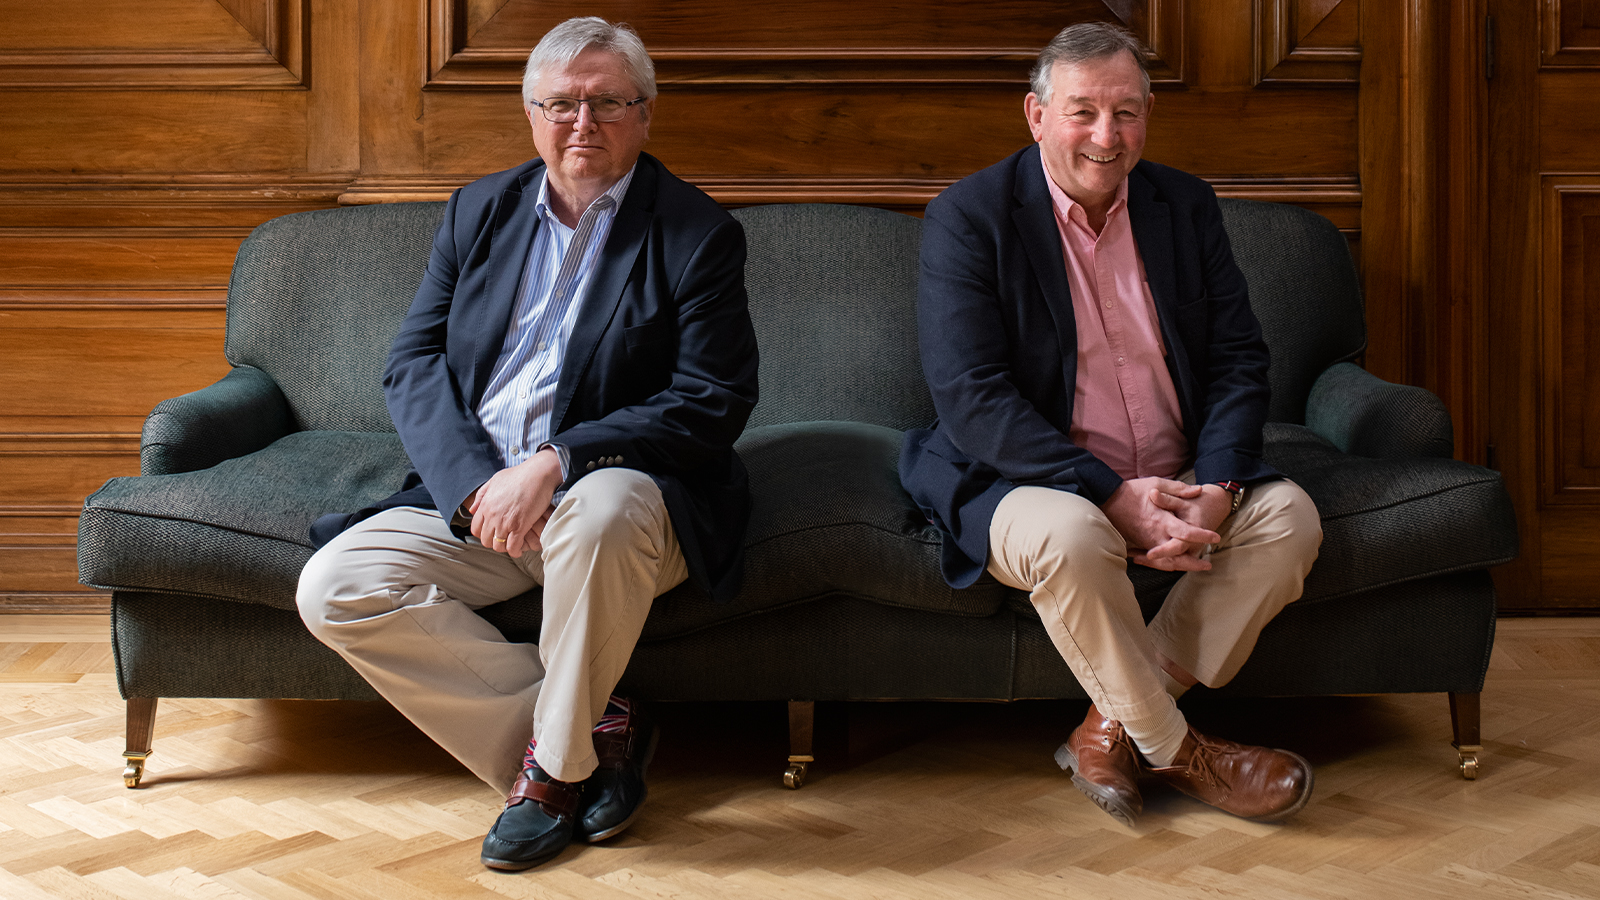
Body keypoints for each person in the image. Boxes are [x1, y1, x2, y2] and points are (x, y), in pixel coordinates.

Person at [296, 17, 758, 871]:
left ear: (645, 115)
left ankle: (551, 777)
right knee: (336, 587)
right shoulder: (480, 210)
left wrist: (554, 463)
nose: (582, 123)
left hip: (619, 505)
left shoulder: (697, 233)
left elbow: (711, 400)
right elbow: (413, 363)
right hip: (486, 502)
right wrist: (476, 486)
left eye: (607, 103)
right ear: (531, 113)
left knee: (605, 504)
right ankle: (598, 730)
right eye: (561, 104)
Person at [899, 21, 1323, 825]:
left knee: (1290, 518)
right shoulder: (970, 217)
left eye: (1125, 113)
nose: (1106, 135)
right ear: (1035, 114)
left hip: (1181, 466)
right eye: (1083, 111)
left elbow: (1239, 359)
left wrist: (1222, 487)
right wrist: (1110, 494)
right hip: (1030, 478)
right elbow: (972, 395)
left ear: (1148, 114)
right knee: (1072, 537)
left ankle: (1108, 733)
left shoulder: (1183, 205)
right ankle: (1185, 753)